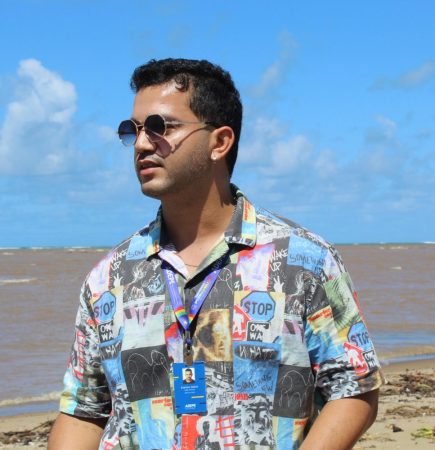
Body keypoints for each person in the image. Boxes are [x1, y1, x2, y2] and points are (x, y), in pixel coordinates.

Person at [48, 58, 382, 450]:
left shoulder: (303, 261)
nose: (141, 144)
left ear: (220, 142)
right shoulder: (108, 278)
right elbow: (84, 411)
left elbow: (354, 388)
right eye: (132, 130)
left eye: (159, 127)